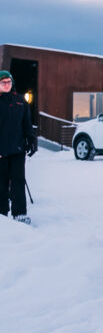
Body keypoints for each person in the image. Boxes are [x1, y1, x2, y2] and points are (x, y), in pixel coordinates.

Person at [0, 70, 36, 224]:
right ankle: (1, 214)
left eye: (8, 82)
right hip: (0, 152)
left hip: (17, 150)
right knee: (1, 183)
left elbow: (27, 125)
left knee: (18, 182)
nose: (6, 84)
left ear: (12, 83)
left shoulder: (21, 101)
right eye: (3, 82)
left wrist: (31, 140)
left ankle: (19, 213)